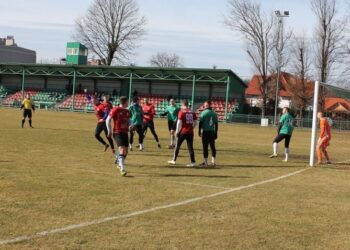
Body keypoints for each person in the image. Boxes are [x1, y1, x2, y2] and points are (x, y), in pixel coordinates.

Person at [106, 96, 131, 176]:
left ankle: (118, 160)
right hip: (117, 132)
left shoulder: (127, 111)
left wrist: (131, 125)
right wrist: (109, 130)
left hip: (125, 133)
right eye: (128, 101)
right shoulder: (116, 109)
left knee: (126, 151)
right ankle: (122, 169)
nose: (128, 103)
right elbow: (108, 119)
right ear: (124, 102)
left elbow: (129, 120)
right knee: (122, 149)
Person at [168, 99, 197, 167]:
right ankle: (193, 163)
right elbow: (196, 122)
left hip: (183, 132)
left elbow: (179, 123)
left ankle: (174, 160)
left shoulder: (181, 112)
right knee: (190, 147)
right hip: (190, 132)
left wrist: (177, 132)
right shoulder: (192, 111)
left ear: (183, 104)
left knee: (177, 146)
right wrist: (192, 128)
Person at [198, 100, 218, 166]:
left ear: (208, 105)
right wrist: (216, 133)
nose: (204, 106)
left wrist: (199, 131)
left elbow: (200, 123)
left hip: (205, 132)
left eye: (205, 105)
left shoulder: (203, 113)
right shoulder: (214, 113)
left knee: (205, 147)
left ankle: (205, 162)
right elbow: (216, 124)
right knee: (212, 146)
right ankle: (213, 161)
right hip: (212, 132)